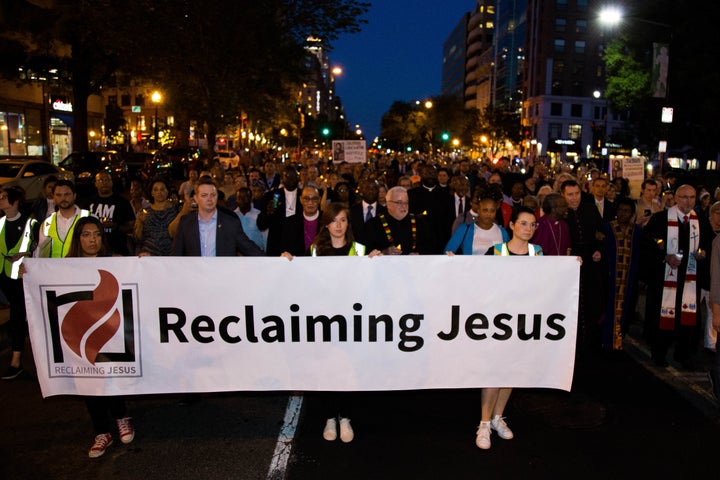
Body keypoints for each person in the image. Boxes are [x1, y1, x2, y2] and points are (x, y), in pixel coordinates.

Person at [67, 216, 135, 457]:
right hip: (79, 333)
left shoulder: (114, 261)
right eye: (86, 235)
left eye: (96, 234)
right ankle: (101, 432)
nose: (92, 239)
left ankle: (121, 416)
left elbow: (138, 275)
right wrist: (28, 272)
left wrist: (144, 263)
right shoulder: (64, 266)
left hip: (111, 331)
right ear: (78, 239)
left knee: (112, 373)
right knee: (88, 380)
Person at [476, 206, 542, 450]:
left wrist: (571, 265)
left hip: (523, 323)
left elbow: (549, 280)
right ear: (511, 225)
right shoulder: (495, 252)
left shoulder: (538, 253)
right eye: (523, 223)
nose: (528, 229)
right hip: (496, 323)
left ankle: (497, 418)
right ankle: (483, 423)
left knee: (511, 372)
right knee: (493, 372)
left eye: (533, 224)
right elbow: (475, 280)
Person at [642, 184, 713, 369]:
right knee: (663, 314)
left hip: (690, 279)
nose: (688, 201)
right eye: (683, 197)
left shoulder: (701, 222)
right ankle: (659, 353)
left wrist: (703, 253)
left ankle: (685, 354)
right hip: (665, 278)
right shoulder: (660, 219)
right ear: (675, 198)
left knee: (687, 317)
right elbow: (648, 244)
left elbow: (707, 246)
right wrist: (664, 256)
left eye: (691, 197)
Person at [171, 176, 265, 257]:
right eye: (204, 195)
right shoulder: (186, 223)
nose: (209, 199)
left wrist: (275, 261)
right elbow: (176, 255)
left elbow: (249, 248)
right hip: (196, 276)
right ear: (196, 198)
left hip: (222, 276)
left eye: (213, 195)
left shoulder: (230, 223)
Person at [0, 186, 37, 380]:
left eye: (4, 197)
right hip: (2, 278)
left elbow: (38, 248)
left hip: (20, 279)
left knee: (18, 317)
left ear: (15, 201)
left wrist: (26, 254)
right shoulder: (0, 223)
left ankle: (16, 361)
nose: (0, 200)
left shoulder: (31, 223)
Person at [603, 197, 642, 351]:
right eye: (620, 210)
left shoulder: (637, 231)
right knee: (609, 308)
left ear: (632, 213)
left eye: (627, 211)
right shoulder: (608, 228)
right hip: (612, 276)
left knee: (626, 309)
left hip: (629, 277)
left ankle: (619, 341)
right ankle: (607, 342)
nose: (623, 214)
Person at [365, 186, 434, 255]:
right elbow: (367, 251)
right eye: (399, 202)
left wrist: (419, 253)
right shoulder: (374, 224)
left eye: (406, 202)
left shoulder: (419, 222)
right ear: (388, 204)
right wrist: (384, 252)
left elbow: (430, 247)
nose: (403, 206)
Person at [81, 172, 136, 256]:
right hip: (94, 250)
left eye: (107, 180)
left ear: (112, 182)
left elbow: (132, 226)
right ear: (96, 184)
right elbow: (81, 225)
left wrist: (116, 227)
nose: (104, 183)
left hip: (117, 249)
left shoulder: (122, 202)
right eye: (101, 180)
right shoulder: (89, 202)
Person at [35, 180, 90, 258]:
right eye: (58, 195)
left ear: (74, 196)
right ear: (53, 197)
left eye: (67, 194)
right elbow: (40, 253)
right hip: (54, 269)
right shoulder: (47, 224)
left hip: (81, 268)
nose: (63, 198)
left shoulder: (88, 218)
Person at [444, 191, 509, 255]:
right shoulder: (464, 229)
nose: (489, 214)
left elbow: (504, 259)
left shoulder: (501, 232)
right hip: (471, 265)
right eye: (485, 210)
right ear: (478, 210)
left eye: (492, 211)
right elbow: (447, 253)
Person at [134, 179, 179, 256]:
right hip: (148, 253)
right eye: (155, 190)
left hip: (171, 254)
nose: (159, 192)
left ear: (167, 191)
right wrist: (140, 222)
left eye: (162, 189)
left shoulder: (176, 210)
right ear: (152, 193)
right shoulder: (144, 212)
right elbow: (137, 239)